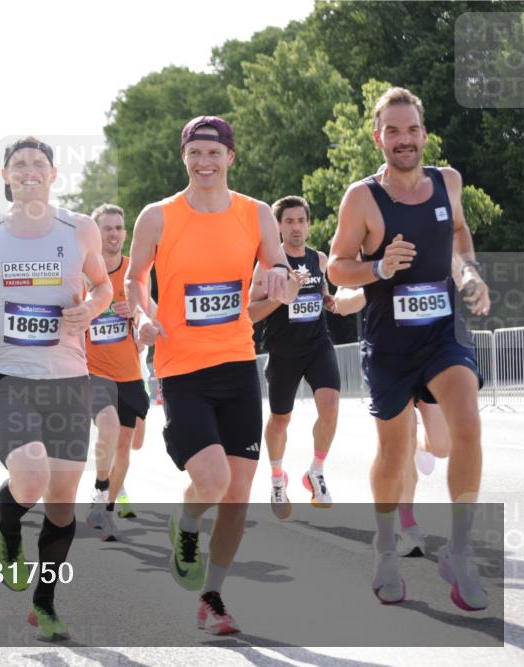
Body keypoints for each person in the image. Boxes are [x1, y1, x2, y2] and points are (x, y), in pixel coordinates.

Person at [126, 116, 296, 635]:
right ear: (184, 157)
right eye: (195, 153)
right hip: (182, 368)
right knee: (213, 480)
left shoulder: (256, 213)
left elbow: (278, 269)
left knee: (237, 497)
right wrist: (142, 316)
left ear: (230, 157)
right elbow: (134, 278)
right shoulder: (158, 217)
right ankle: (186, 524)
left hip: (239, 364)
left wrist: (281, 282)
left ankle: (213, 597)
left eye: (214, 153)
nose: (204, 162)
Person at [328, 87, 490, 610]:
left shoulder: (448, 182)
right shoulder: (362, 197)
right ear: (378, 137)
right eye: (392, 131)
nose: (404, 140)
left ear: (424, 133)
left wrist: (469, 275)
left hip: (442, 334)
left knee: (467, 420)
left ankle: (459, 553)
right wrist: (378, 267)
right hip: (389, 345)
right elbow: (336, 266)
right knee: (394, 453)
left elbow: (460, 238)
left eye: (412, 129)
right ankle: (384, 549)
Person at [0, 136, 112, 642]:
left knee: (62, 503)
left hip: (69, 376)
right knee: (32, 477)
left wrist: (94, 308)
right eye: (19, 164)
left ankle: (45, 601)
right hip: (9, 374)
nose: (29, 170)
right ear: (6, 176)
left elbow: (103, 286)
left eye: (39, 163)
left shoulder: (79, 229)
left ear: (54, 174)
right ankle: (10, 522)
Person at [334, 285, 455, 558]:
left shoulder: (432, 244)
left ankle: (422, 444)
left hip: (430, 352)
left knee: (442, 446)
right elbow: (342, 302)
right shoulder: (365, 247)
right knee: (399, 448)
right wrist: (376, 286)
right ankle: (408, 527)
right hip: (387, 356)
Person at [247, 195, 339, 518]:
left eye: (301, 221)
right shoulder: (269, 265)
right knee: (280, 419)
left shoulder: (319, 259)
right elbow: (250, 312)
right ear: (278, 227)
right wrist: (283, 296)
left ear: (309, 224)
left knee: (330, 406)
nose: (296, 227)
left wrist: (327, 299)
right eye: (289, 222)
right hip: (283, 351)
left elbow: (323, 289)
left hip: (318, 345)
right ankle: (276, 478)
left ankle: (316, 470)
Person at [82, 203, 151, 539]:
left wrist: (133, 313)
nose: (114, 234)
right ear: (95, 233)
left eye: (119, 227)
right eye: (107, 228)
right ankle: (98, 490)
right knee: (107, 425)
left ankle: (107, 509)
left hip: (130, 372)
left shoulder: (133, 272)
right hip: (93, 371)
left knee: (127, 446)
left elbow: (147, 315)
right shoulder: (82, 274)